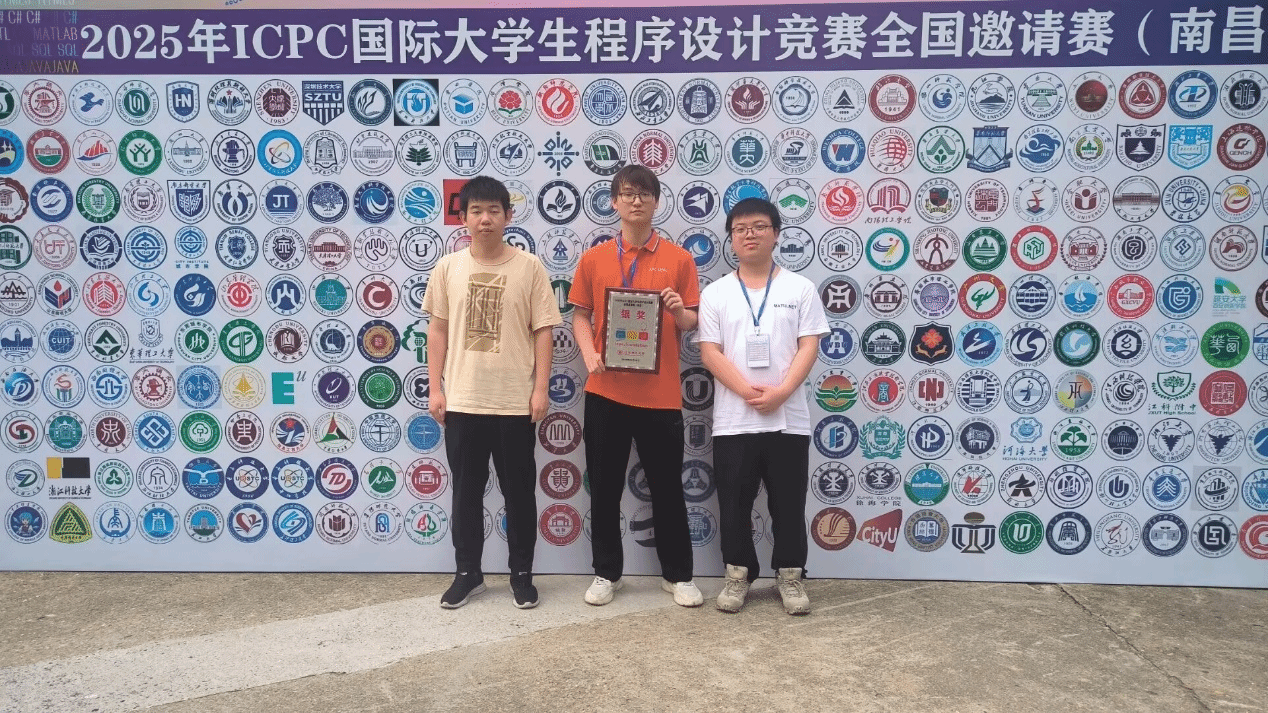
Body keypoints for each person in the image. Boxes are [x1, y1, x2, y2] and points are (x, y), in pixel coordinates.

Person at [422, 176, 561, 610]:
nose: (485, 219)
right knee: (465, 493)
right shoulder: (448, 268)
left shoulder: (530, 267)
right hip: (463, 400)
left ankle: (522, 575)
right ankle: (468, 574)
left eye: (494, 211)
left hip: (514, 402)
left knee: (519, 494)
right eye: (476, 211)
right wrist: (435, 387)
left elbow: (543, 331)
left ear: (508, 216)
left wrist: (540, 389)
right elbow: (437, 330)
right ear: (463, 218)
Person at [568, 164, 704, 607]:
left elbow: (691, 322)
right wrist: (588, 354)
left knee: (667, 488)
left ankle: (678, 575)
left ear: (656, 201)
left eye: (644, 193)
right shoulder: (594, 259)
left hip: (660, 396)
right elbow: (581, 315)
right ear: (614, 202)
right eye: (627, 193)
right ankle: (607, 573)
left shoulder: (679, 259)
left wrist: (679, 310)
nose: (636, 200)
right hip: (606, 392)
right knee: (604, 488)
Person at [696, 197, 829, 615]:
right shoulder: (716, 293)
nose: (749, 234)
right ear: (731, 239)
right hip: (734, 421)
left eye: (758, 226)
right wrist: (750, 393)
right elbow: (710, 352)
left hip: (788, 419)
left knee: (788, 504)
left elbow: (809, 345)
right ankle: (738, 575)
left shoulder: (800, 288)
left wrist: (782, 392)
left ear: (775, 234)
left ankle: (790, 576)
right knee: (733, 504)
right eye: (740, 229)